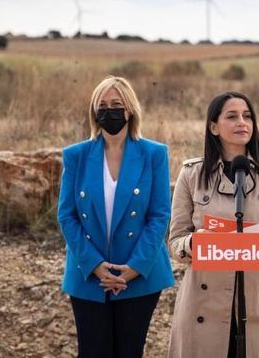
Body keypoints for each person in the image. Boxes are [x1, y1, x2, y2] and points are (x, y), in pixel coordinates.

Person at [167, 91, 259, 358]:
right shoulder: (191, 174)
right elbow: (176, 242)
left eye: (247, 116)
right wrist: (194, 243)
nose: (242, 122)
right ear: (213, 126)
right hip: (205, 304)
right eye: (232, 116)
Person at [57, 75, 175, 358]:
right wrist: (95, 264)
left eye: (116, 105)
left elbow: (160, 215)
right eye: (102, 106)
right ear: (94, 112)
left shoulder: (154, 154)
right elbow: (67, 215)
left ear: (130, 110)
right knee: (93, 351)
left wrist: (133, 267)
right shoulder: (76, 156)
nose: (109, 112)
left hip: (140, 274)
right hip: (88, 274)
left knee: (129, 351)